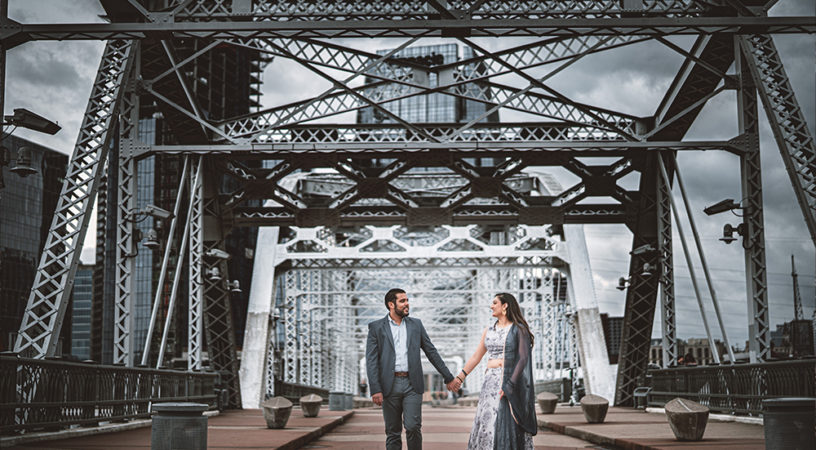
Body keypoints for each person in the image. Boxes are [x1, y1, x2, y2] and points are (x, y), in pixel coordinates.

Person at [366, 288, 457, 450]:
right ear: (391, 304)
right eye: (402, 301)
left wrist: (448, 377)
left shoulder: (416, 325)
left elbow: (431, 352)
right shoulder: (376, 328)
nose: (407, 304)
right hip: (389, 385)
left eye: (407, 300)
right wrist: (375, 388)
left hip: (412, 384)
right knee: (393, 432)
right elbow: (371, 360)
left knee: (413, 426)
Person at [448, 293, 537, 449]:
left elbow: (523, 359)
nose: (491, 306)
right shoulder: (488, 330)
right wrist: (460, 377)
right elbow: (476, 356)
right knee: (488, 421)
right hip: (490, 382)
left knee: (505, 421)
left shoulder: (519, 329)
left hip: (509, 381)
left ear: (505, 306)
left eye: (495, 302)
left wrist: (510, 384)